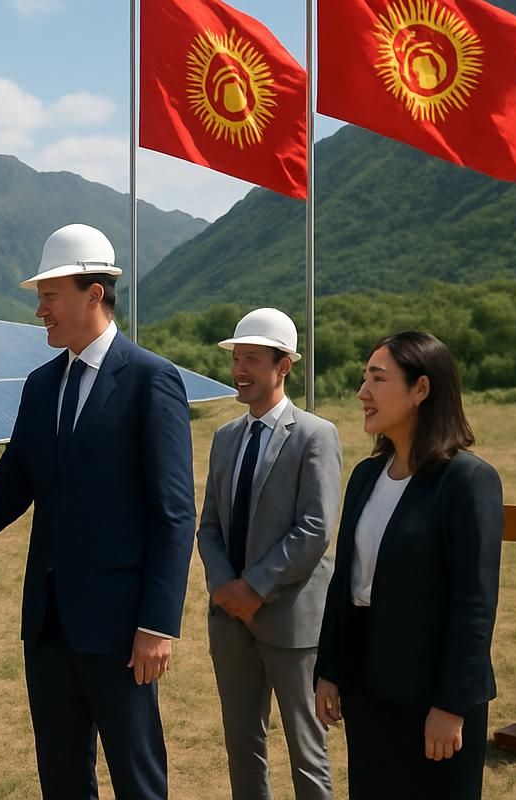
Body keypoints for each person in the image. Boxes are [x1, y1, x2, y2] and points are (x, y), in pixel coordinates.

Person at [0, 224, 196, 799]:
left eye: (50, 295)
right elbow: (13, 485)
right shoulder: (40, 385)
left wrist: (157, 625)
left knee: (137, 777)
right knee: (61, 777)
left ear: (93, 294)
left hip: (122, 627)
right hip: (49, 625)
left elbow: (174, 514)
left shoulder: (152, 381)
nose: (39, 310)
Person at [314, 331, 504, 799]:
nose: (363, 393)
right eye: (364, 379)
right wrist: (330, 669)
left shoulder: (467, 481)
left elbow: (474, 604)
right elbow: (346, 581)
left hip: (432, 699)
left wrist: (451, 704)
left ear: (421, 389)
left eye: (377, 379)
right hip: (368, 690)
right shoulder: (365, 476)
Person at [196, 308, 341, 800]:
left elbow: (315, 527)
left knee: (307, 750)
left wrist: (254, 587)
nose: (239, 370)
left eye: (251, 360)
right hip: (229, 620)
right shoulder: (225, 438)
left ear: (284, 367)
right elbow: (209, 526)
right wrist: (225, 589)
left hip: (290, 620)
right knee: (242, 744)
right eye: (237, 358)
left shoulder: (315, 436)